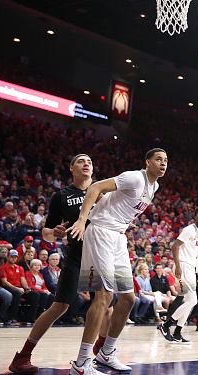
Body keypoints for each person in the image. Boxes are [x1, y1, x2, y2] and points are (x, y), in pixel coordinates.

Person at [8, 154, 113, 374]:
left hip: (101, 255)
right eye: (81, 161)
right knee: (60, 306)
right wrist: (53, 233)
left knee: (108, 308)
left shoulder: (103, 190)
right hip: (76, 256)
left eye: (90, 162)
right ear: (71, 167)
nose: (87, 164)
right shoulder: (62, 196)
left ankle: (101, 351)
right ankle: (23, 356)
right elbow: (46, 232)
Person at [66, 148, 167, 375]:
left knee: (128, 299)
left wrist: (124, 221)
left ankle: (106, 352)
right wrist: (82, 220)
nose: (163, 163)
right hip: (101, 231)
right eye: (159, 159)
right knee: (104, 295)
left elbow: (124, 205)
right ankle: (82, 363)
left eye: (166, 160)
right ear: (147, 161)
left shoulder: (155, 186)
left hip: (118, 236)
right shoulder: (133, 177)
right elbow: (95, 187)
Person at [159, 206, 198, 341]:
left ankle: (177, 332)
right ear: (195, 216)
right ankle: (166, 325)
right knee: (193, 300)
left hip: (192, 267)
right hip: (182, 265)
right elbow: (175, 246)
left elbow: (196, 253)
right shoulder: (189, 229)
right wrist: (177, 265)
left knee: (189, 301)